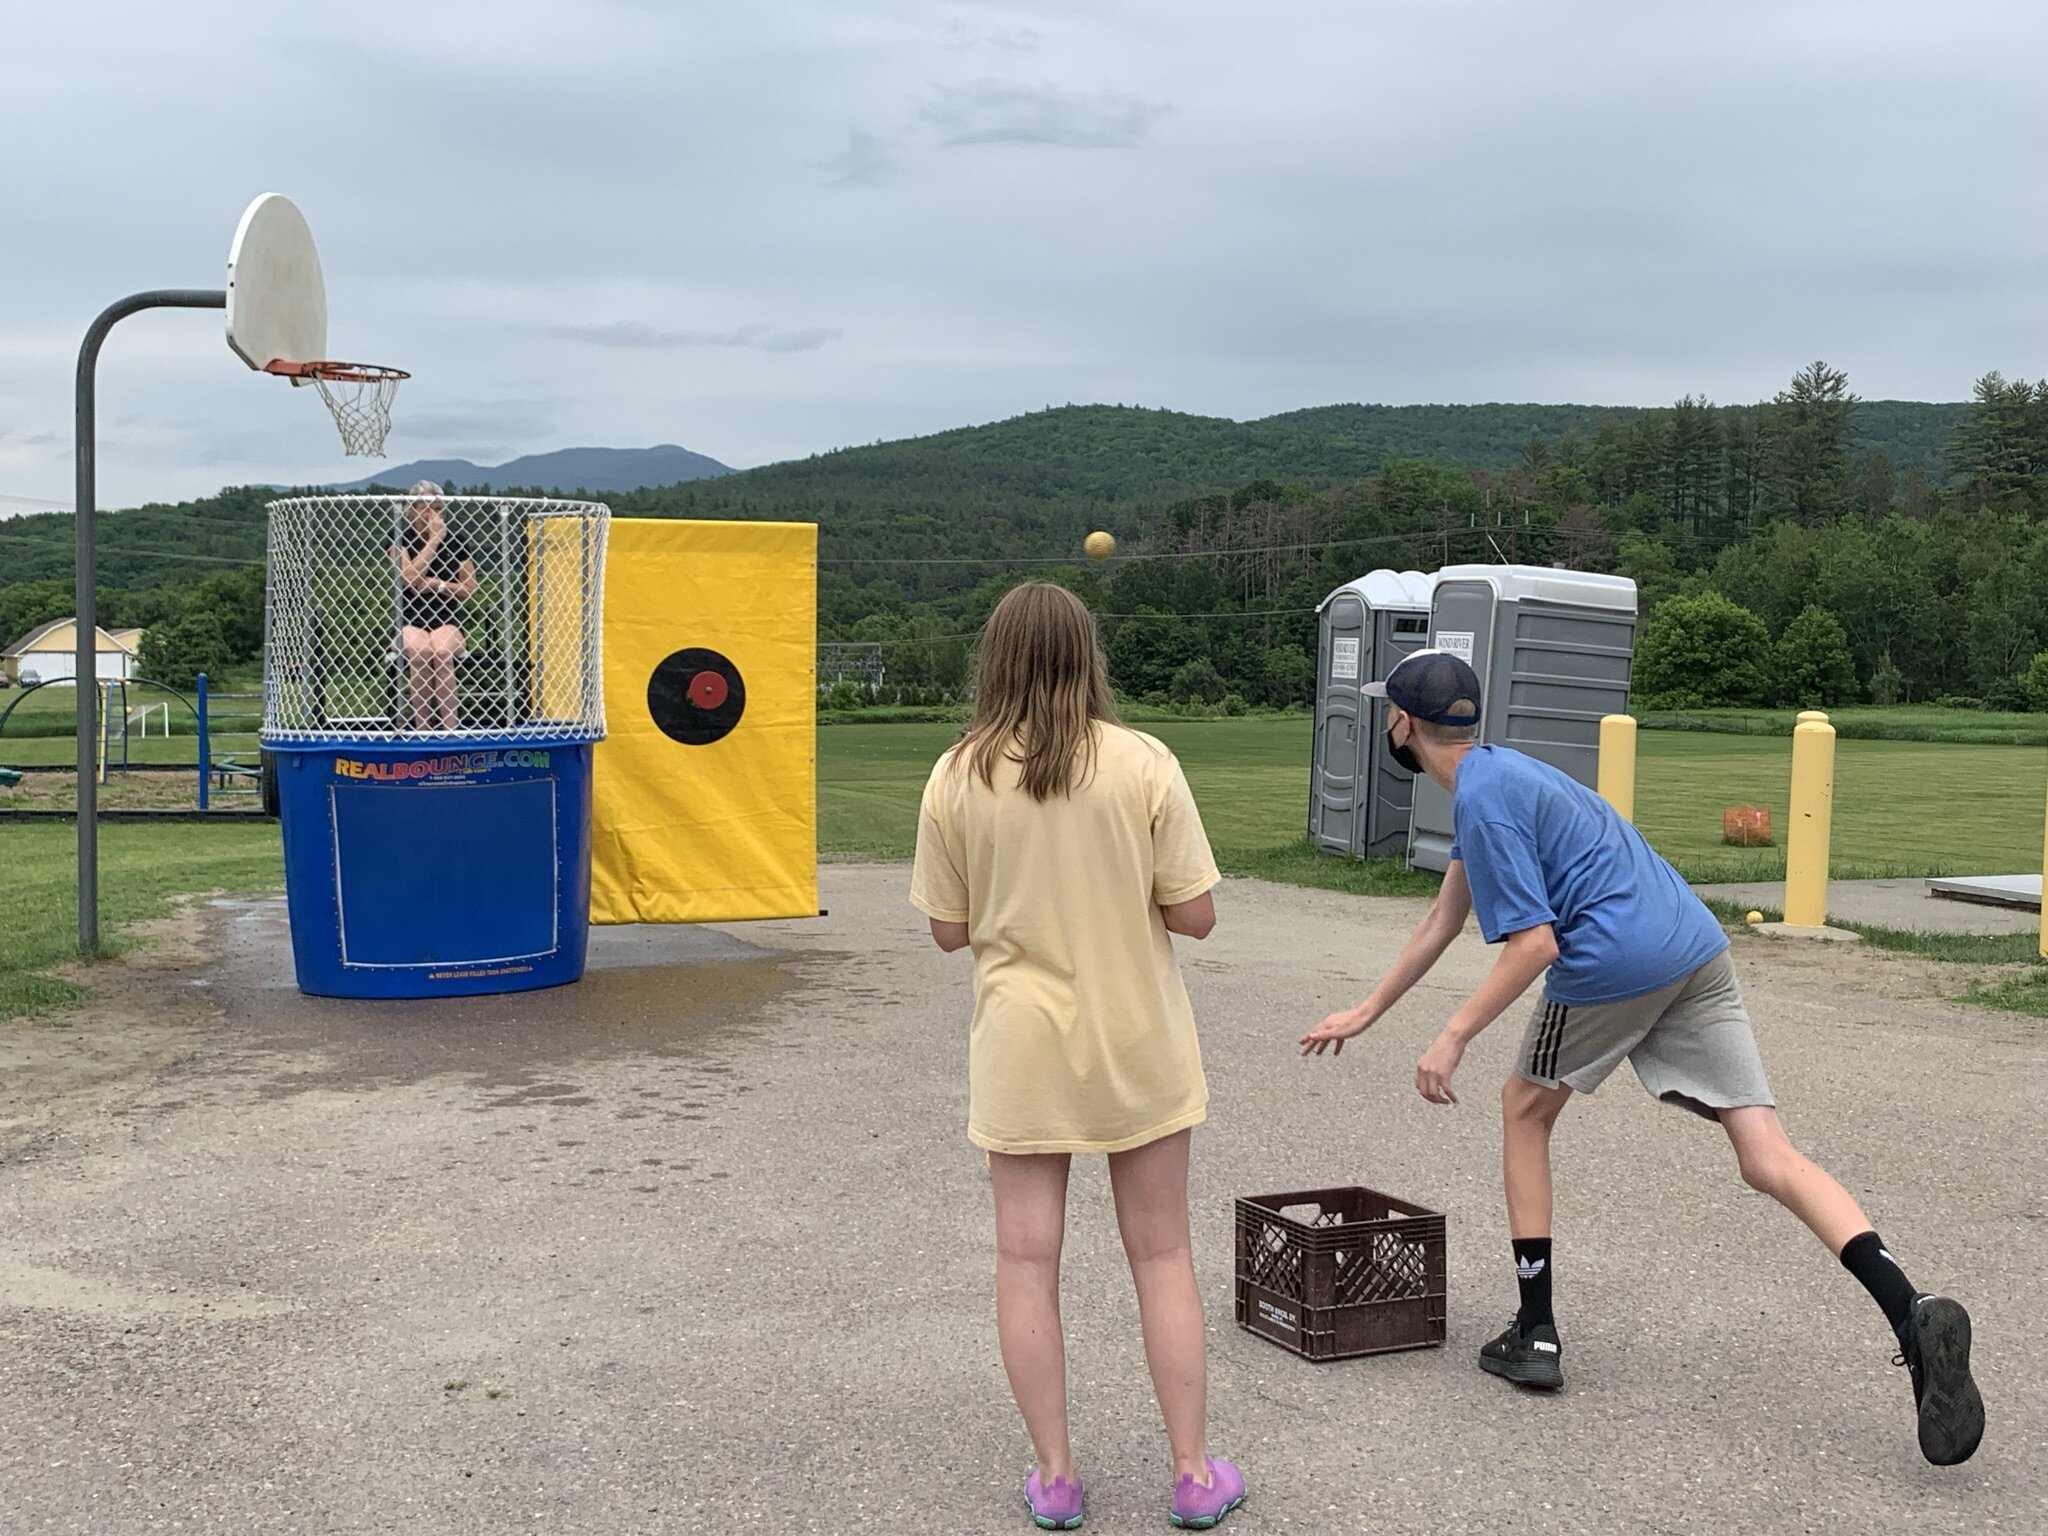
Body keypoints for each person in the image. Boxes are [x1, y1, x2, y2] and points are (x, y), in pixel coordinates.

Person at [1300, 648, 1985, 1468]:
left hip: (1616, 961)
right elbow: (1443, 919)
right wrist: (1369, 1009)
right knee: (1767, 1156)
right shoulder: (1500, 775)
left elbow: (1535, 944)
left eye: (1388, 710)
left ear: (1402, 722)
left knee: (1523, 1108)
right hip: (1693, 944)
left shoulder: (1481, 803)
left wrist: (1452, 1035)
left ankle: (1537, 1331)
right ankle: (1910, 1311)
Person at [911, 582, 1247, 1531]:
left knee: (1025, 1260)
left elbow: (947, 929)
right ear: (1087, 654)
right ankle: (1190, 1473)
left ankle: (1056, 1477)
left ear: (995, 659)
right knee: (1163, 1253)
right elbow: (1197, 914)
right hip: (1137, 1040)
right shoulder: (1144, 763)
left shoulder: (956, 773)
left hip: (1021, 1046)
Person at [387, 481, 476, 731]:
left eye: (437, 508)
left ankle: (450, 730)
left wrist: (439, 585)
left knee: (441, 652)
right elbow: (409, 578)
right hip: (410, 620)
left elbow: (469, 588)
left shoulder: (457, 541)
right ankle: (422, 729)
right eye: (425, 508)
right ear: (412, 510)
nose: (432, 514)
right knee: (420, 651)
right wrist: (434, 541)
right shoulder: (399, 538)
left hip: (446, 620)